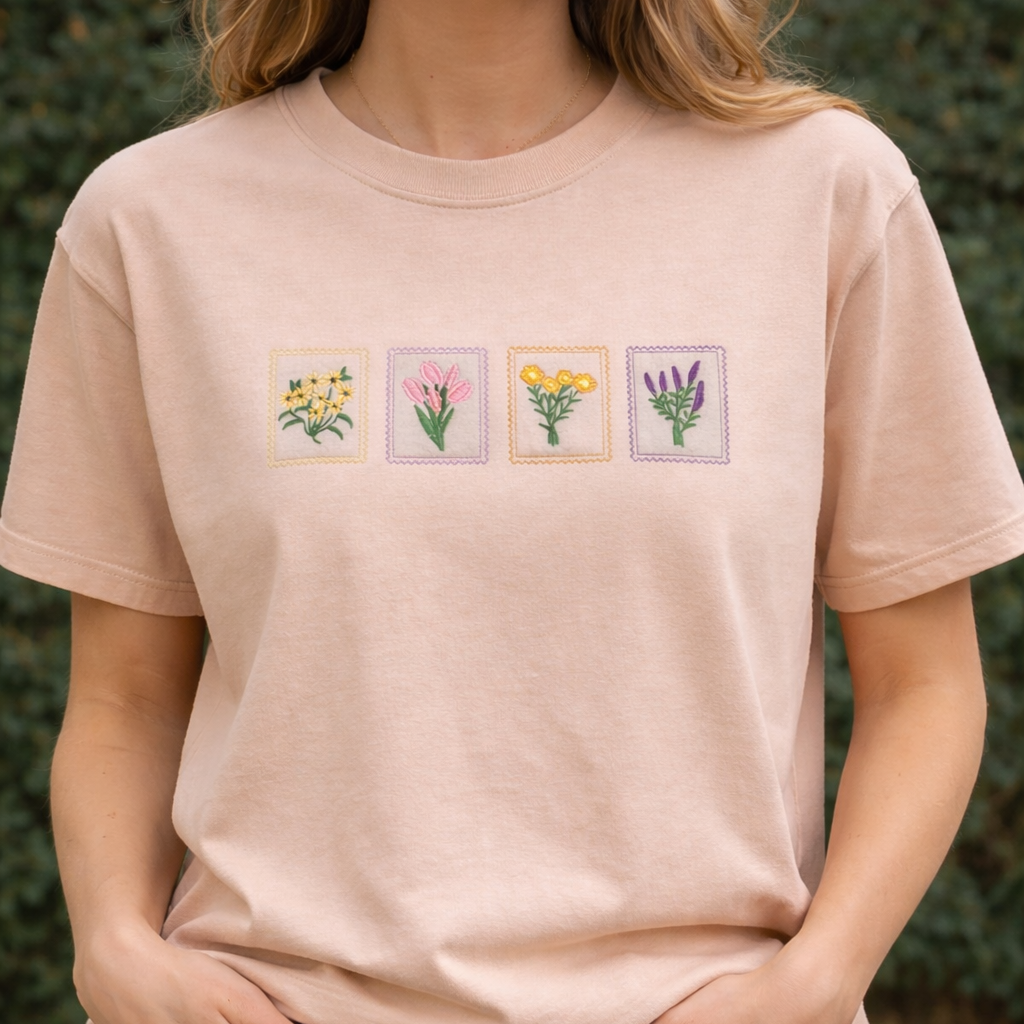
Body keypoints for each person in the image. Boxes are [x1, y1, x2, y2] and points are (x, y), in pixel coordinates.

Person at [2, 0, 1023, 1022]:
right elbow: (125, 697)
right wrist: (112, 943)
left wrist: (821, 975)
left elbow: (926, 684)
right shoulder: (151, 221)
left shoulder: (824, 191)